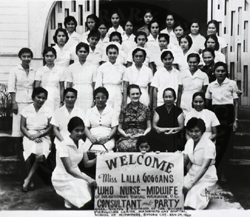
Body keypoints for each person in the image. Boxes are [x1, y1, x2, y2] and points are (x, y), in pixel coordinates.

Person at [52, 116, 97, 209]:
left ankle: (70, 199)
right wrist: (87, 179)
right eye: (77, 130)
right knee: (82, 187)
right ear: (70, 130)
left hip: (76, 173)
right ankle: (69, 198)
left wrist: (98, 159)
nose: (80, 133)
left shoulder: (81, 143)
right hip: (62, 176)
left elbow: (86, 163)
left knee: (85, 187)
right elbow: (69, 169)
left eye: (82, 130)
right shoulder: (62, 144)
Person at [205, 62, 239, 181]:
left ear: (226, 72)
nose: (220, 73)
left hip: (228, 115)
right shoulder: (211, 85)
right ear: (214, 72)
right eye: (218, 71)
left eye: (222, 71)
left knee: (226, 144)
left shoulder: (232, 84)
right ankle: (214, 172)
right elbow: (208, 104)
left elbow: (235, 104)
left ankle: (223, 173)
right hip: (215, 115)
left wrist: (235, 120)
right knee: (215, 144)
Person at [21, 87, 53, 192]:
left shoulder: (48, 110)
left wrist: (39, 135)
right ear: (33, 97)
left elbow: (50, 127)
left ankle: (28, 179)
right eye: (38, 97)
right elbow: (22, 127)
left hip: (43, 135)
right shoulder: (26, 109)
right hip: (29, 135)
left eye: (43, 98)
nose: (41, 100)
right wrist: (31, 137)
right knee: (29, 152)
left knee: (40, 155)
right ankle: (31, 180)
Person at [183, 118, 217, 210]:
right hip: (192, 173)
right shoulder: (189, 142)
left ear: (203, 131)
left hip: (207, 176)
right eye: (191, 131)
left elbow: (205, 167)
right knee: (177, 190)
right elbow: (185, 160)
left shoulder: (209, 145)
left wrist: (191, 183)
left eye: (197, 131)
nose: (193, 134)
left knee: (193, 198)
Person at [8, 47, 36, 137]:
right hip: (19, 101)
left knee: (30, 125)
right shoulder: (14, 70)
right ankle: (17, 147)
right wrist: (14, 103)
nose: (26, 59)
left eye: (28, 56)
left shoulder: (34, 71)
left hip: (31, 101)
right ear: (20, 57)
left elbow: (35, 86)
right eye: (24, 56)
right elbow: (11, 88)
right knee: (18, 126)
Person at [116, 84, 151, 152]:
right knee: (125, 146)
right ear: (129, 95)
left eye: (137, 93)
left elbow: (149, 127)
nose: (135, 96)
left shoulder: (146, 109)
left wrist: (144, 134)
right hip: (127, 137)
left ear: (140, 94)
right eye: (133, 94)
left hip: (142, 137)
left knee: (143, 146)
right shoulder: (124, 109)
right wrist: (125, 135)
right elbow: (119, 128)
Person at [148, 88, 184, 152]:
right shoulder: (158, 110)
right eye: (166, 97)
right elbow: (154, 126)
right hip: (160, 135)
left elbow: (181, 127)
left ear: (174, 98)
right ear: (163, 98)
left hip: (174, 135)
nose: (168, 99)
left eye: (170, 97)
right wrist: (162, 130)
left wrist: (171, 130)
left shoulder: (179, 110)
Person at [84, 87, 118, 153]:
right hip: (92, 138)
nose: (100, 100)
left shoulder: (112, 111)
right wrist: (91, 137)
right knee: (86, 150)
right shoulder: (89, 111)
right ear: (94, 99)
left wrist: (107, 137)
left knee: (107, 152)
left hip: (107, 138)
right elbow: (85, 127)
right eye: (97, 98)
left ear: (107, 98)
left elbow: (114, 128)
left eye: (103, 97)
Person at [95, 44, 125, 116]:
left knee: (117, 110)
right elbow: (98, 83)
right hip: (106, 90)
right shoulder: (102, 67)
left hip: (117, 90)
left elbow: (124, 84)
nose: (112, 55)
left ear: (117, 54)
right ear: (107, 54)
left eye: (114, 53)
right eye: (110, 53)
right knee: (106, 110)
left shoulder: (122, 68)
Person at [66, 42, 96, 112]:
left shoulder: (93, 67)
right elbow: (69, 85)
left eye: (85, 52)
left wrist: (94, 98)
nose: (82, 54)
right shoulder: (71, 67)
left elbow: (94, 84)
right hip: (76, 92)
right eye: (80, 51)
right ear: (76, 53)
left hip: (88, 92)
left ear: (88, 53)